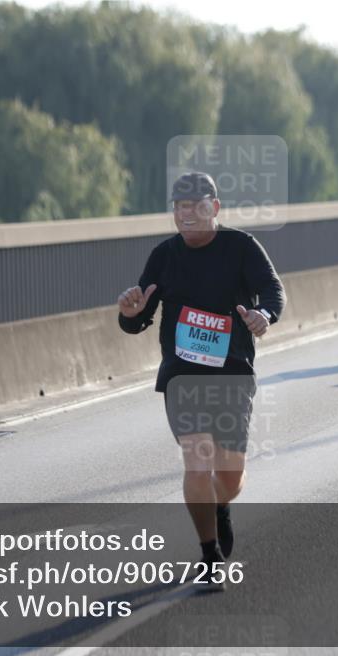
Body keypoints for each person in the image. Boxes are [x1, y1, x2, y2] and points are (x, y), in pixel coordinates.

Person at [117, 171, 285, 591]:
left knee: (230, 478)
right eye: (179, 207)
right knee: (197, 459)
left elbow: (273, 291)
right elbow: (138, 317)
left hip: (231, 373)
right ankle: (210, 555)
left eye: (196, 205)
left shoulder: (241, 247)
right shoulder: (165, 255)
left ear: (216, 207)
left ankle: (218, 505)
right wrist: (130, 312)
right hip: (182, 374)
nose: (187, 214)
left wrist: (263, 315)